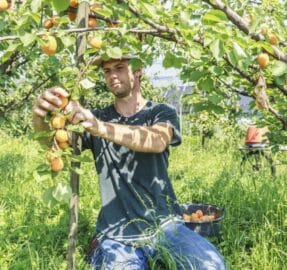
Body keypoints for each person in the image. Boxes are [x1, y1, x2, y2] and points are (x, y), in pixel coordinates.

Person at [32, 54, 226, 270]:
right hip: (117, 233)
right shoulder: (95, 117)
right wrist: (39, 116)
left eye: (120, 67)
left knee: (212, 266)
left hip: (165, 224)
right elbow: (55, 146)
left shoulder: (160, 112)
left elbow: (157, 140)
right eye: (107, 71)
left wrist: (100, 127)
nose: (112, 75)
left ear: (138, 70)